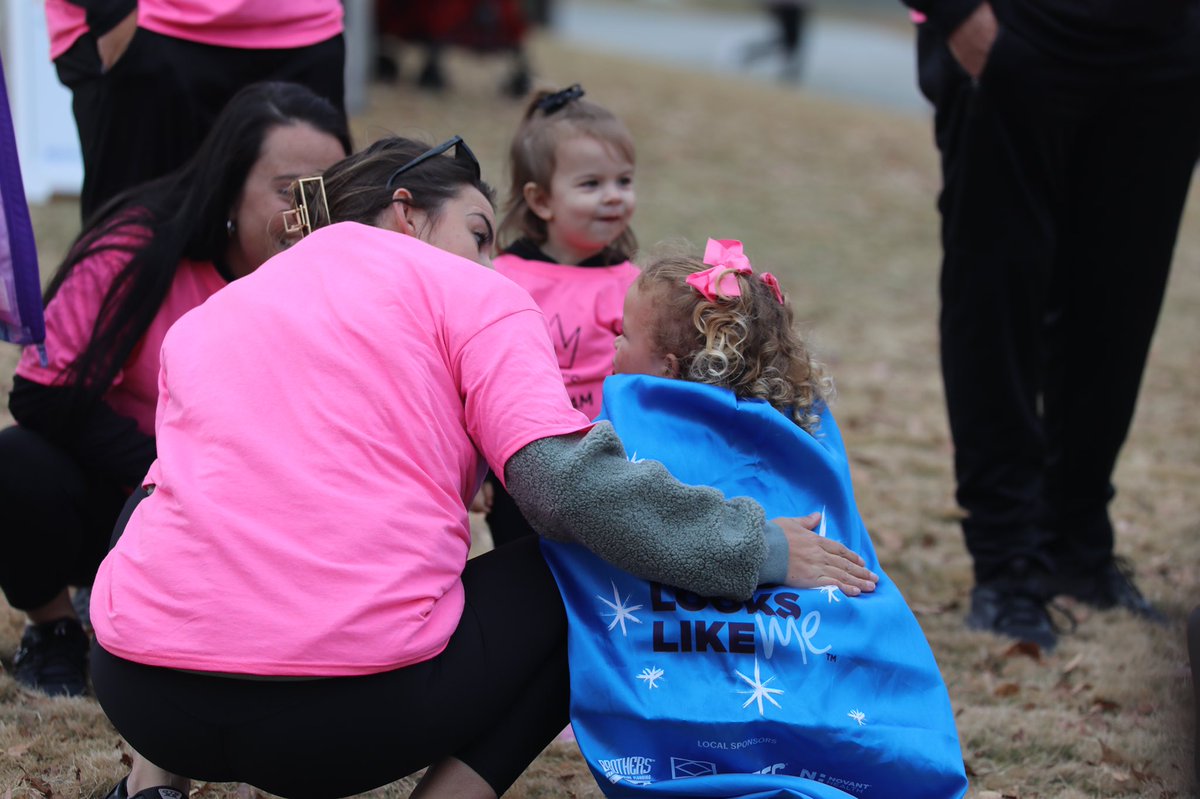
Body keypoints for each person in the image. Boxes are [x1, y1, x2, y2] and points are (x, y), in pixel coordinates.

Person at [86, 136, 879, 799]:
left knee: (162, 496)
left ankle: (154, 784)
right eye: (477, 233)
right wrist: (759, 546)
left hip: (141, 691)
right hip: (339, 726)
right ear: (405, 212)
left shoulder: (223, 307)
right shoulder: (473, 296)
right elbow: (571, 491)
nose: (490, 264)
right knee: (572, 569)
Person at [540, 239, 968, 797]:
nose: (613, 345)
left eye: (623, 335)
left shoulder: (628, 443)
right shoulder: (801, 439)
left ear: (665, 370)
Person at [0, 81, 351, 697]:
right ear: (227, 187)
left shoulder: (345, 279)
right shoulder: (139, 247)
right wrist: (168, 478)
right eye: (289, 192)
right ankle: (54, 628)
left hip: (258, 522)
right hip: (125, 493)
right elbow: (40, 392)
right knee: (17, 464)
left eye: (326, 193)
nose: (309, 215)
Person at [905, 0, 1200, 650]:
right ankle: (1007, 560)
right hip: (1020, 30)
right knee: (996, 300)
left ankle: (1077, 542)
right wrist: (959, 17)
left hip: (1164, 52)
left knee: (1121, 303)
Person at [481, 83, 639, 547]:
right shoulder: (499, 276)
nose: (613, 197)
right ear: (541, 200)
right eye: (591, 184)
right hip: (518, 464)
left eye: (623, 181)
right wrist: (477, 471)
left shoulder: (635, 286)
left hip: (605, 466)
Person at [44, 0, 347, 221]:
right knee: (135, 267)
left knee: (301, 254)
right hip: (151, 28)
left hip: (303, 31)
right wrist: (112, 15)